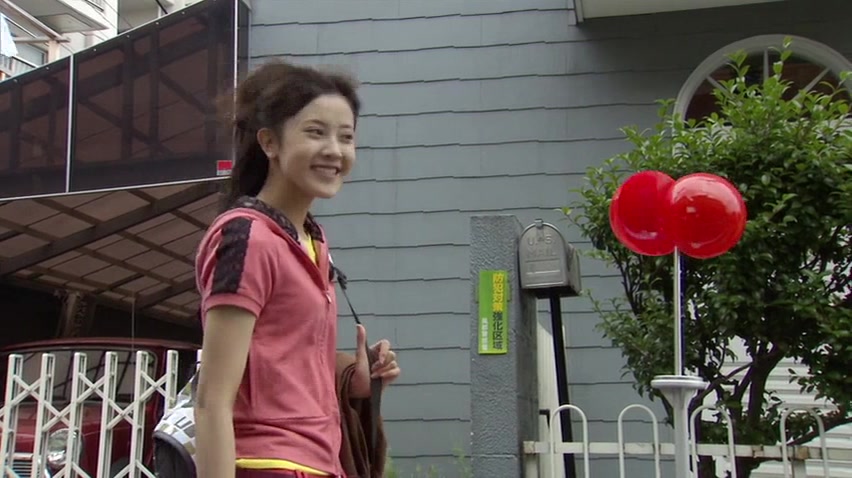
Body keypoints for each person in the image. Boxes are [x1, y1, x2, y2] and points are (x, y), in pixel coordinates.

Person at [193, 60, 401, 478]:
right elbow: (212, 399)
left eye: (346, 137)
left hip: (318, 461)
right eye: (316, 132)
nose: (335, 150)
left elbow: (278, 361)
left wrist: (353, 379)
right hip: (267, 464)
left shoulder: (312, 240)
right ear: (269, 142)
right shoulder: (246, 237)